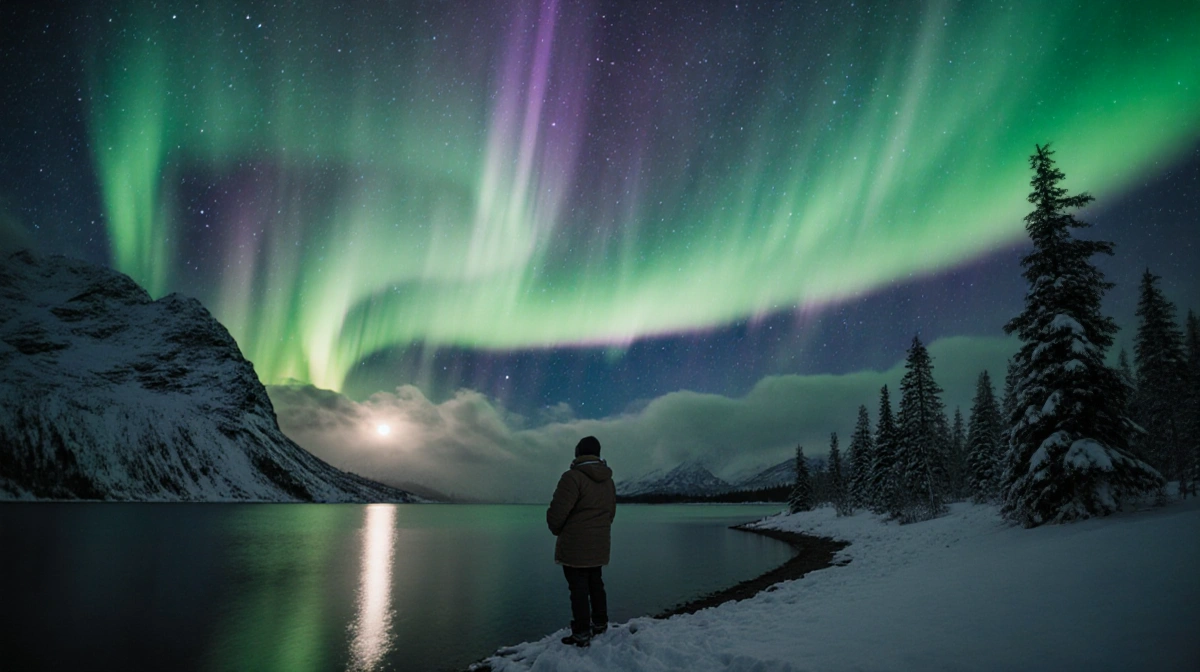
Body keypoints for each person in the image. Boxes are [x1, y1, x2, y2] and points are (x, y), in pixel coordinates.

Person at [546, 435, 616, 647]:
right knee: (596, 582)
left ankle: (582, 632)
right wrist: (599, 531)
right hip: (599, 541)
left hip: (576, 543)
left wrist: (556, 529)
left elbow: (558, 512)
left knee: (578, 588)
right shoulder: (608, 480)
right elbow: (610, 513)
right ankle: (600, 623)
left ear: (578, 452)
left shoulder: (572, 477)